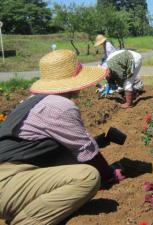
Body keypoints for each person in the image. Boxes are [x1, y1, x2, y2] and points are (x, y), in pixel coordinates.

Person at [0, 49, 125, 225]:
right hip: (6, 183)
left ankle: (24, 207)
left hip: (11, 174)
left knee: (71, 159)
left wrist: (98, 143)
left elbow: (69, 145)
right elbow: (86, 151)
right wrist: (109, 174)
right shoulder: (60, 106)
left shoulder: (33, 100)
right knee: (88, 177)